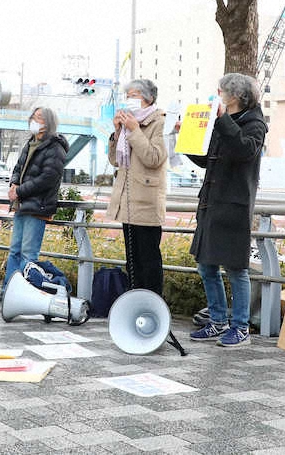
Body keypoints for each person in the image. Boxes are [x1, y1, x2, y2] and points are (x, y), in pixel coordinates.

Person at [186, 73, 267, 348]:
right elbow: (206, 158)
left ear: (235, 96)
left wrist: (221, 122)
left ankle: (240, 326)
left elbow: (245, 150)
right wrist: (188, 138)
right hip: (211, 203)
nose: (218, 93)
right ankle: (218, 321)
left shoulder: (255, 123)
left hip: (234, 206)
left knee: (236, 268)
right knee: (205, 266)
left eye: (223, 90)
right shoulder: (224, 122)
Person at [0, 107, 68, 302]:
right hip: (22, 204)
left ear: (48, 122)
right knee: (15, 250)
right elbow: (18, 167)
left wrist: (20, 190)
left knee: (28, 254)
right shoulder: (30, 143)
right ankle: (8, 289)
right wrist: (14, 184)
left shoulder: (54, 147)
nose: (34, 120)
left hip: (38, 206)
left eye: (39, 117)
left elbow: (48, 178)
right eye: (33, 116)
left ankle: (24, 293)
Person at [106, 79, 167, 295]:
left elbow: (154, 157)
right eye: (128, 96)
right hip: (127, 201)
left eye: (134, 96)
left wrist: (134, 131)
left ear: (147, 98)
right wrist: (117, 133)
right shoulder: (128, 125)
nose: (129, 101)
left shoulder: (159, 122)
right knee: (132, 260)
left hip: (146, 202)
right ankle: (134, 303)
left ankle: (152, 305)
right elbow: (115, 160)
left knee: (149, 260)